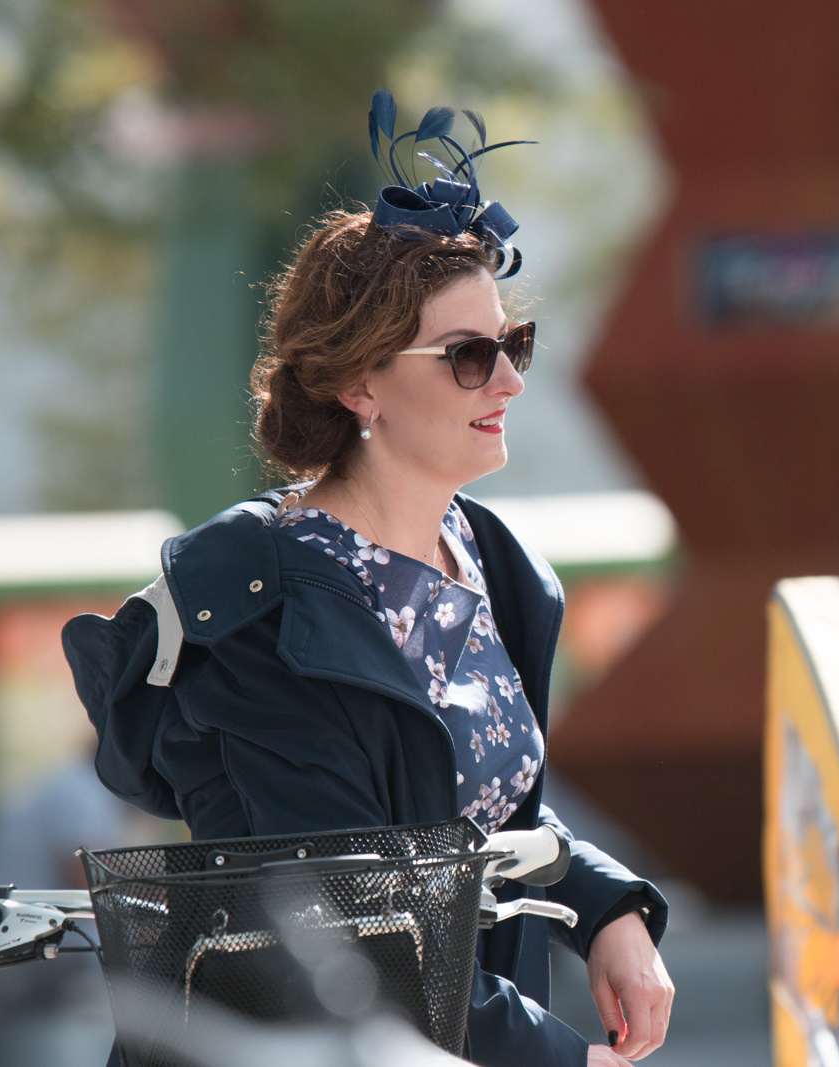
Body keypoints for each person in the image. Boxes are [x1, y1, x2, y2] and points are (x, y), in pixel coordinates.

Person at [64, 95, 674, 1067]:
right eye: (469, 356)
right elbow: (356, 928)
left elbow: (488, 811)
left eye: (512, 343)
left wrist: (607, 909)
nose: (510, 380)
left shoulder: (495, 562)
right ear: (360, 384)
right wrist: (565, 1058)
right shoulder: (261, 611)